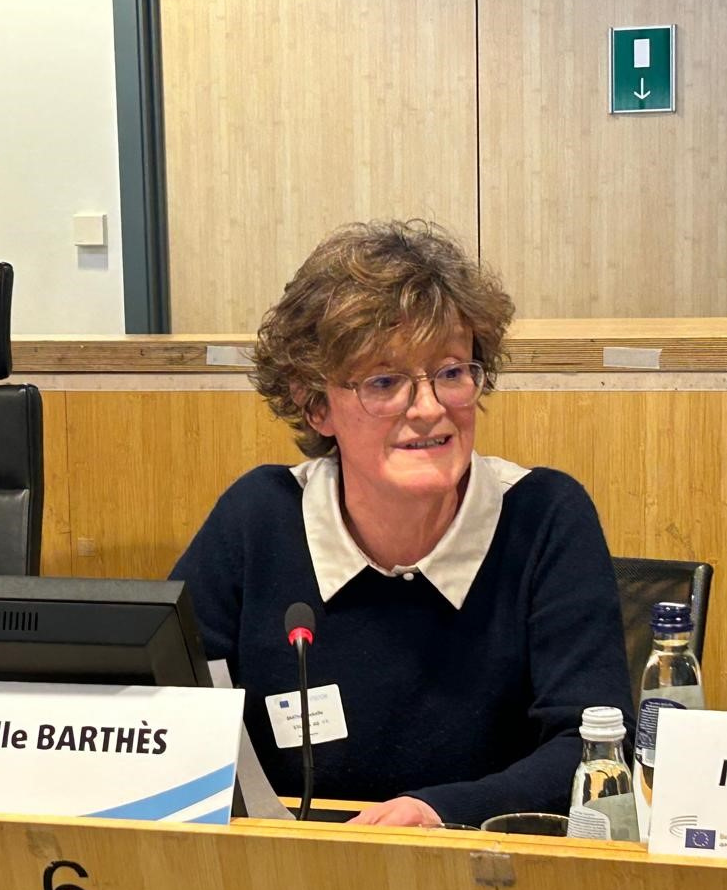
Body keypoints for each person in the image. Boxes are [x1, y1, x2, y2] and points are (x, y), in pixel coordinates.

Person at [170, 219, 632, 827]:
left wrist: (438, 813)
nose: (429, 408)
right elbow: (165, 709)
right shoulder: (258, 519)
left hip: (482, 860)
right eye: (385, 382)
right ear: (316, 405)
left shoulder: (543, 516)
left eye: (451, 372)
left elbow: (593, 750)